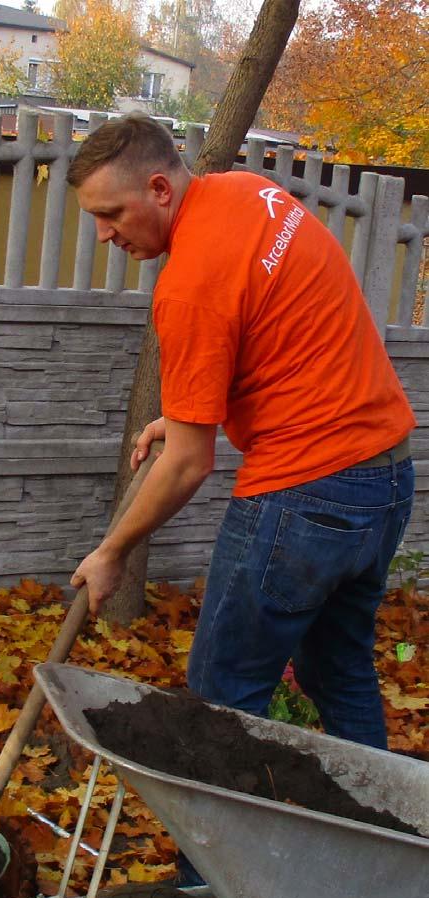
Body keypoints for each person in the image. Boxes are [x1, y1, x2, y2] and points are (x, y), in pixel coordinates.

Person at [67, 113, 415, 753]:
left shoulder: (189, 287)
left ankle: (212, 857)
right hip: (386, 478)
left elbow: (188, 464)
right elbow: (276, 323)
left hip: (307, 495)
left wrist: (112, 551)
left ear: (160, 190)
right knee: (337, 673)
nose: (102, 233)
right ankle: (385, 842)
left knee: (221, 696)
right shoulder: (246, 192)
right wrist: (180, 412)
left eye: (112, 212)